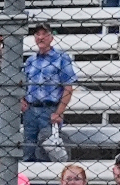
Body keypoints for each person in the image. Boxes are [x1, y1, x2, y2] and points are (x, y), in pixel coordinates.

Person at [22, 23, 77, 163]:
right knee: (28, 149)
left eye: (44, 34)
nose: (41, 37)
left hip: (50, 109)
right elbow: (22, 84)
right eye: (38, 34)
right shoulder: (30, 60)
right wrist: (22, 100)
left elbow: (68, 87)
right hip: (30, 109)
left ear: (51, 37)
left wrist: (59, 112)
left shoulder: (61, 58)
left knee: (48, 152)